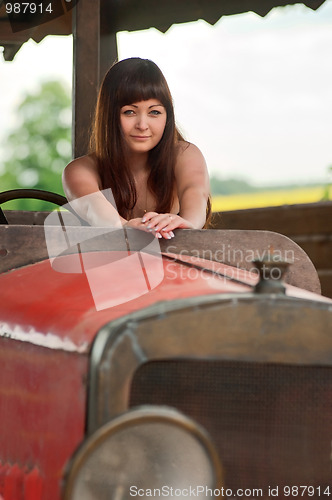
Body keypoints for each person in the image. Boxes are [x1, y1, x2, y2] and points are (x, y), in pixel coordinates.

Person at [62, 57, 211, 239]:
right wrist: (125, 226)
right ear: (109, 116)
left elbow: (195, 191)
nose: (142, 125)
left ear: (167, 117)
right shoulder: (80, 170)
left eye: (154, 112)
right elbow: (93, 207)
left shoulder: (184, 154)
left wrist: (188, 223)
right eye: (129, 112)